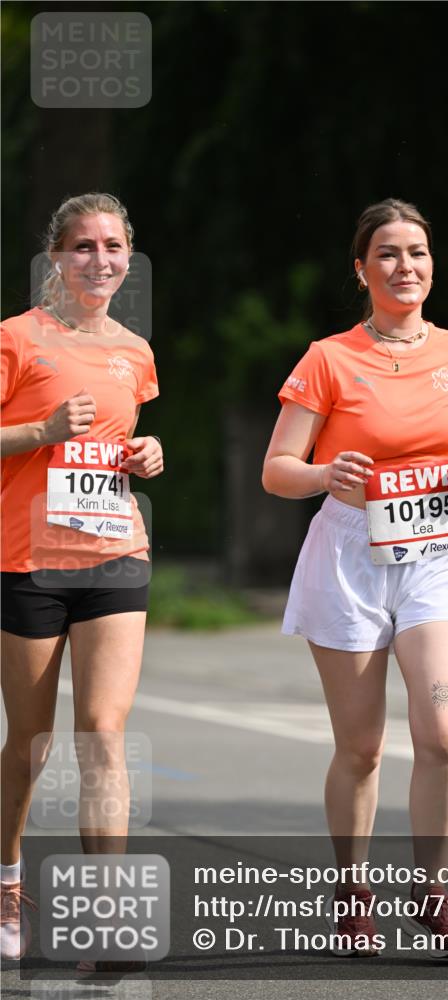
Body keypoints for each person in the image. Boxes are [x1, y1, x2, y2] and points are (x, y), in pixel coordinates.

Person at [263, 198, 448, 958]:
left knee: (441, 733)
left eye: (419, 253)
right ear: (361, 269)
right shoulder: (327, 358)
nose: (407, 267)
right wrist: (324, 473)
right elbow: (277, 471)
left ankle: (432, 895)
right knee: (361, 747)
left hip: (436, 555)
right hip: (348, 558)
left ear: (433, 264)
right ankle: (352, 893)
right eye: (389, 254)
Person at [0, 193, 163, 966]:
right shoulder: (16, 338)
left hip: (114, 554)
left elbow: (120, 440)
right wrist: (38, 431)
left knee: (102, 732)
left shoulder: (135, 349)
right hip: (28, 560)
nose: (99, 260)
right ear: (54, 258)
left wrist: (146, 454)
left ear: (129, 257)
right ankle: (5, 880)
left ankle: (108, 917)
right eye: (82, 247)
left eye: (112, 247)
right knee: (29, 743)